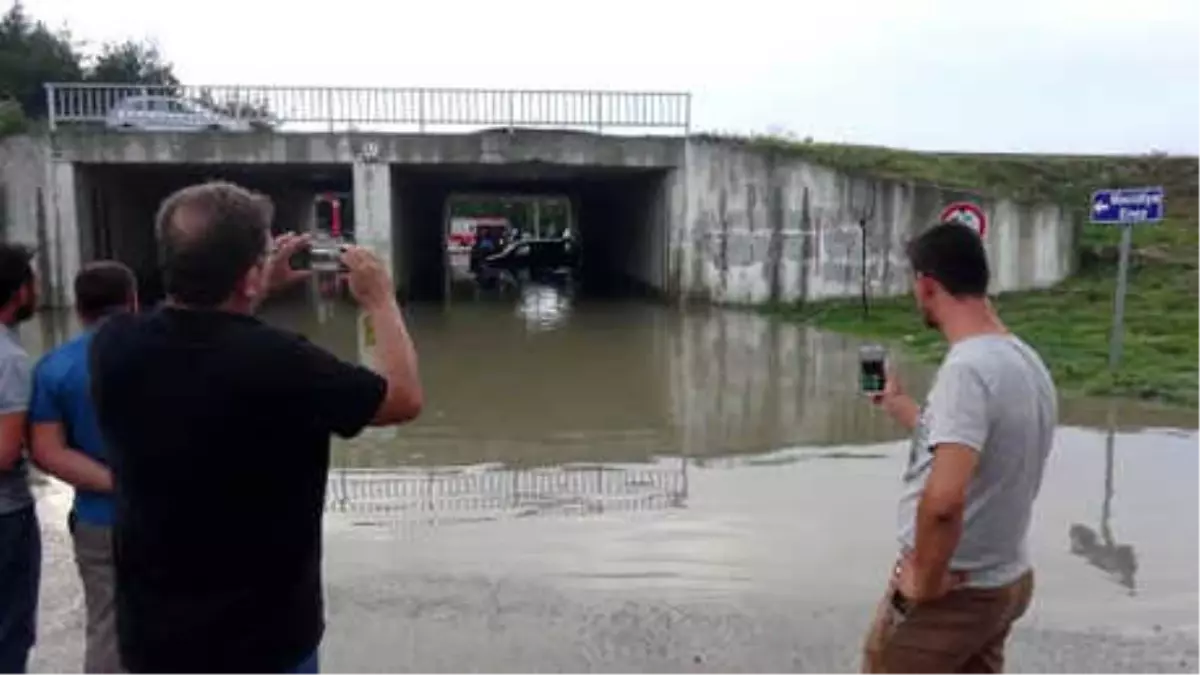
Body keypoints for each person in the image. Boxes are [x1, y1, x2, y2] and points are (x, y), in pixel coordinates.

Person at [89, 181, 423, 675]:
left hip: (153, 639)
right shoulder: (285, 363)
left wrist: (253, 285)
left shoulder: (113, 344)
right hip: (264, 643)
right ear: (248, 276)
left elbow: (205, 337)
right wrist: (380, 301)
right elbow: (402, 398)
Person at [862, 223, 1058, 675]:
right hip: (1005, 579)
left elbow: (944, 503)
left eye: (915, 285)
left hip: (953, 592)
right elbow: (972, 449)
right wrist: (900, 405)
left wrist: (924, 582)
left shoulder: (967, 371)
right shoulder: (1021, 358)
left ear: (928, 285)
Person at [30, 261, 138, 675]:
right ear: (132, 301)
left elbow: (47, 451)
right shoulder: (168, 356)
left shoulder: (55, 368)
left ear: (79, 308)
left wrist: (117, 483)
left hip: (98, 519)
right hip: (169, 515)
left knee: (106, 626)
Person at [0, 243, 40, 675]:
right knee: (9, 632)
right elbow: (5, 451)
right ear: (20, 293)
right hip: (5, 517)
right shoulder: (9, 360)